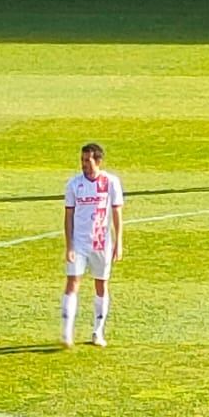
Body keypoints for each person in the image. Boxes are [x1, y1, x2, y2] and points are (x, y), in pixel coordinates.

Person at [61, 142, 124, 348]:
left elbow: (116, 213)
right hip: (79, 243)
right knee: (72, 282)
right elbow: (68, 215)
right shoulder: (73, 184)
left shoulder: (111, 182)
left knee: (101, 284)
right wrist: (69, 245)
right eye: (82, 160)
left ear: (98, 161)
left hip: (101, 243)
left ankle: (98, 331)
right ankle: (66, 332)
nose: (84, 164)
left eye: (87, 160)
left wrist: (119, 242)